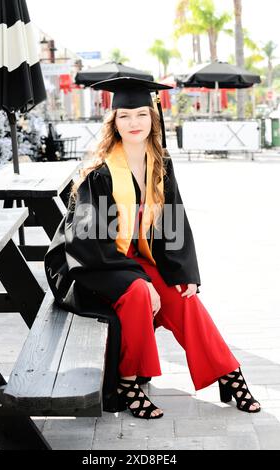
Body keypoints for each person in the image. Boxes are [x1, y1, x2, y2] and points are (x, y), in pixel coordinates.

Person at [44, 77, 261, 420]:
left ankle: (228, 373)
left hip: (131, 259)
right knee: (138, 292)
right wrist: (140, 278)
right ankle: (128, 381)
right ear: (113, 122)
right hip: (88, 263)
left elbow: (173, 220)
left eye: (141, 115)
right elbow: (85, 240)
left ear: (153, 118)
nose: (134, 123)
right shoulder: (98, 174)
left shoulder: (160, 166)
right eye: (125, 116)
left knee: (182, 296)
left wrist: (183, 271)